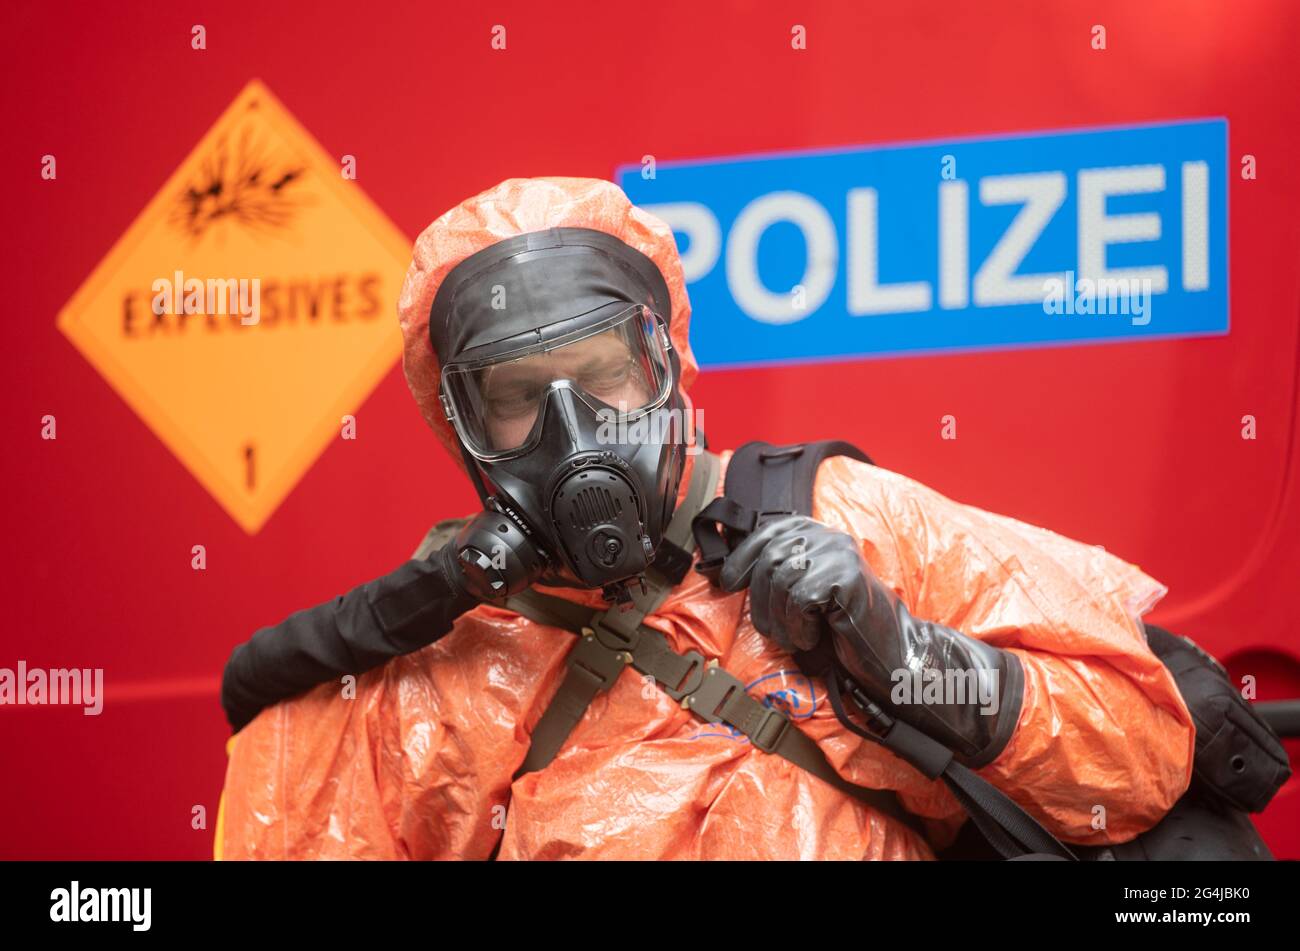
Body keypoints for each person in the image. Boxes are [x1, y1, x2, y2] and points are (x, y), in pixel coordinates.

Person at [214, 176, 1194, 861]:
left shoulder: (845, 527)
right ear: (460, 425)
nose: (574, 433)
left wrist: (902, 657)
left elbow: (1137, 760)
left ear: (666, 365)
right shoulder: (426, 663)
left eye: (603, 377)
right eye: (517, 396)